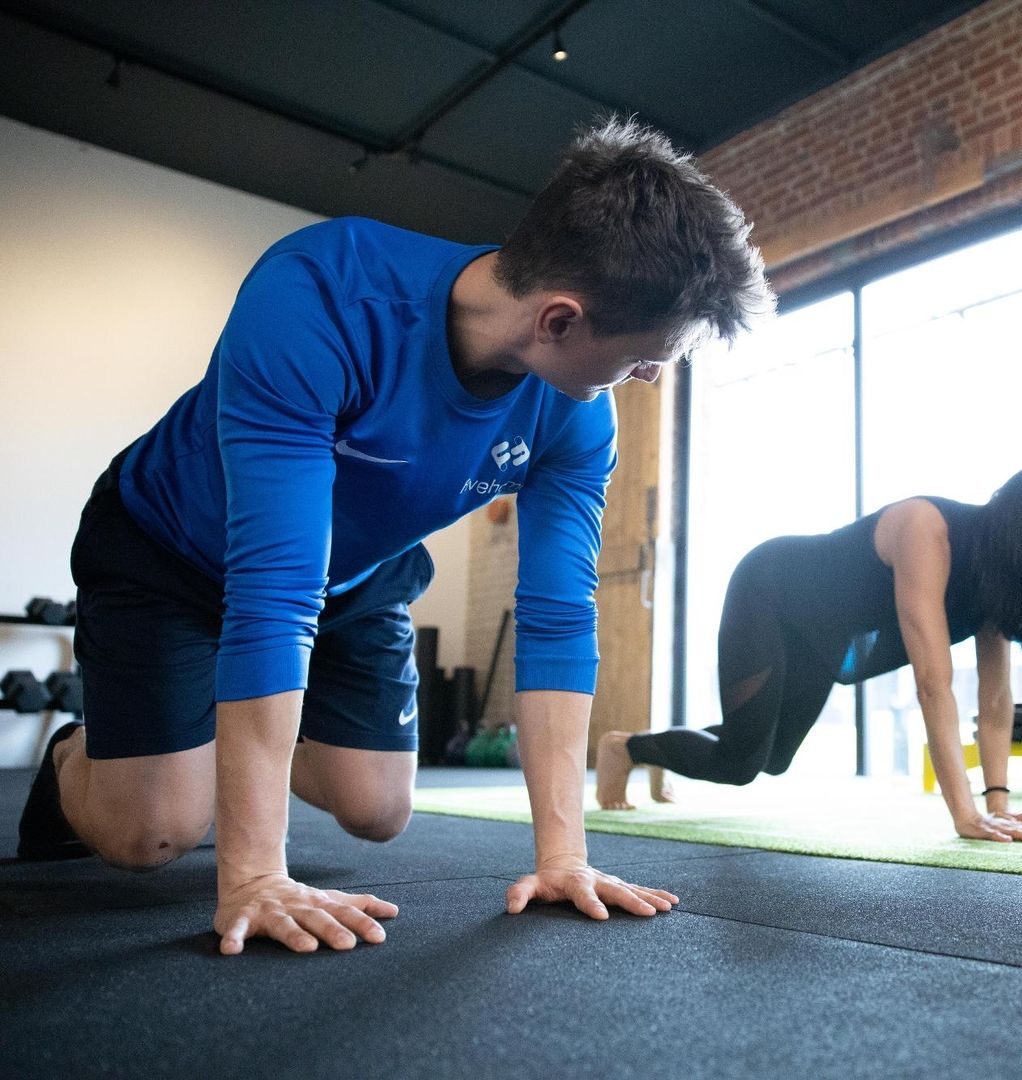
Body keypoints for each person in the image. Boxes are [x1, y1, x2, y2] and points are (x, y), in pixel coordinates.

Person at [17, 118, 774, 955]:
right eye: (643, 359)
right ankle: (78, 758)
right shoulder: (320, 295)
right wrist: (255, 872)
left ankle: (195, 751)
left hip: (359, 569)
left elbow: (558, 616)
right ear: (558, 320)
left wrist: (564, 856)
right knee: (155, 832)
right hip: (172, 547)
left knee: (377, 808)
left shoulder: (577, 418)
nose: (648, 378)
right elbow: (274, 585)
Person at [596, 457, 1022, 841]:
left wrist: (999, 803)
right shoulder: (928, 529)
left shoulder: (998, 580)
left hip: (821, 631)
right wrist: (964, 814)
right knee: (741, 763)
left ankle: (664, 749)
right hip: (769, 590)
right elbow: (932, 684)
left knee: (771, 759)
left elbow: (995, 702)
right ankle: (626, 748)